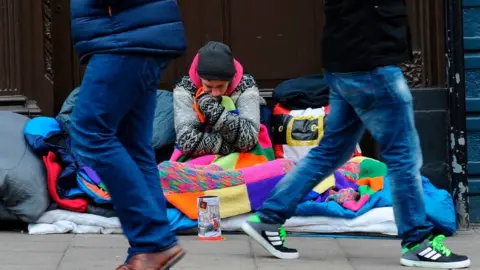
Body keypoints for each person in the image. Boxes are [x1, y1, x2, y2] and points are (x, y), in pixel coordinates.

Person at [241, 0, 471, 269]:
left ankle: (269, 216)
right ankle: (417, 242)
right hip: (371, 64)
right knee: (403, 156)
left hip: (344, 60)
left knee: (331, 152)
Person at [69, 1, 187, 269]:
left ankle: (153, 241)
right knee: (133, 146)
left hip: (123, 34)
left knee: (90, 131)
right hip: (131, 31)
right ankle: (146, 251)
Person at [173, 41, 263, 158]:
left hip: (241, 161)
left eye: (221, 86)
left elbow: (249, 139)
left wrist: (212, 109)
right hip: (198, 162)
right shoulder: (184, 87)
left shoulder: (246, 84)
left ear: (231, 79)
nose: (215, 93)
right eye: (208, 86)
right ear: (199, 78)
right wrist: (233, 146)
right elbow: (186, 141)